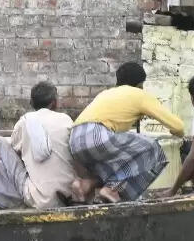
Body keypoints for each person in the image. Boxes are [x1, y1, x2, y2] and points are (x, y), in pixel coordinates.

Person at [68, 61, 183, 203]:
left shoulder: (106, 93)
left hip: (75, 140)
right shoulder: (139, 94)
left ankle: (84, 185)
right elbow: (178, 127)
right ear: (140, 84)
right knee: (152, 148)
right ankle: (113, 189)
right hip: (97, 135)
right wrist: (177, 133)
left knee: (115, 167)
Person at [5, 81, 83, 209]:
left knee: (0, 144)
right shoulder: (66, 119)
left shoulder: (25, 121)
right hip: (69, 194)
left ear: (32, 103)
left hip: (40, 199)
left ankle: (4, 201)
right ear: (54, 102)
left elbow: (14, 148)